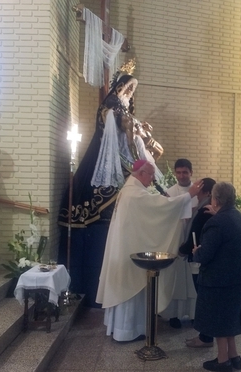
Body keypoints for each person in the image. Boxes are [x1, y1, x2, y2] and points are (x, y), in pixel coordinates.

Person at [57, 63, 164, 307]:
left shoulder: (124, 111)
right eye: (126, 88)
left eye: (132, 90)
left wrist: (139, 130)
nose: (129, 93)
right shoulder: (109, 109)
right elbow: (115, 137)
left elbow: (132, 139)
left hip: (126, 157)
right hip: (107, 161)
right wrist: (129, 126)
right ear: (118, 88)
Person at [96, 160, 203, 341]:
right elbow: (161, 208)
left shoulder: (130, 190)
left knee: (130, 288)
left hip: (126, 248)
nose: (153, 179)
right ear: (141, 173)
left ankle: (125, 329)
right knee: (131, 289)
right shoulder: (134, 194)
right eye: (151, 174)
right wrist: (187, 197)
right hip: (128, 251)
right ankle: (127, 331)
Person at [192, 182, 241, 372]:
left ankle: (223, 360)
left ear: (215, 199)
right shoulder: (240, 217)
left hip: (218, 279)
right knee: (230, 318)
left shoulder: (216, 222)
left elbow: (206, 254)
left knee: (219, 319)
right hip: (237, 277)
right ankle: (234, 356)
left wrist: (196, 252)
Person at [160, 159, 199, 328]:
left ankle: (194, 314)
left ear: (191, 172)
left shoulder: (199, 191)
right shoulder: (170, 192)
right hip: (176, 240)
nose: (182, 176)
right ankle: (173, 315)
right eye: (179, 172)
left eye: (185, 172)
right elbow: (165, 215)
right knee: (177, 280)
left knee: (194, 280)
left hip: (194, 241)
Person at [179, 177, 216, 348]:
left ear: (206, 192)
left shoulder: (205, 210)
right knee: (205, 299)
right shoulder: (205, 208)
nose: (195, 190)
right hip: (205, 260)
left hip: (199, 261)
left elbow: (196, 233)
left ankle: (205, 338)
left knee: (204, 300)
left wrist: (182, 250)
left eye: (198, 188)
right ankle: (206, 336)